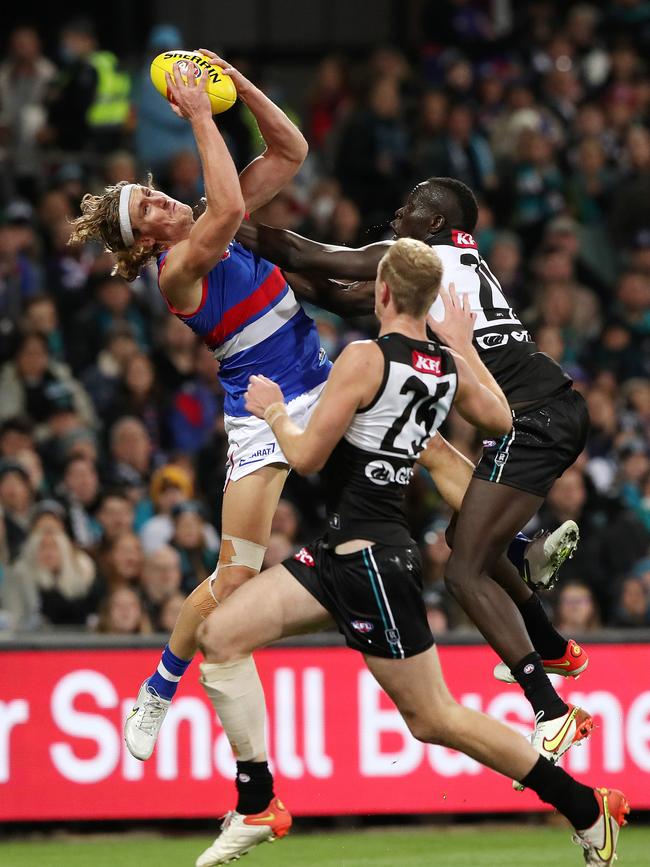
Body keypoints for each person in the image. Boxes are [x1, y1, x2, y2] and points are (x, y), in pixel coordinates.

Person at [195, 239, 628, 867]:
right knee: (222, 636)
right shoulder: (442, 366)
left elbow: (308, 457)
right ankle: (257, 801)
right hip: (340, 554)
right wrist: (456, 339)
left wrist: (274, 413)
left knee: (435, 719)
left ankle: (586, 807)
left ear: (383, 292)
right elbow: (502, 420)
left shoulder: (364, 358)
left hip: (371, 558)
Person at [236, 176, 592, 772]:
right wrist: (263, 272)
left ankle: (550, 710)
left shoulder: (420, 260)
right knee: (464, 532)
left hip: (530, 420)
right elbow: (347, 297)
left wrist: (221, 227)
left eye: (411, 207)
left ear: (432, 225)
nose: (399, 211)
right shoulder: (464, 264)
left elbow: (310, 257)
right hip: (548, 409)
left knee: (463, 572)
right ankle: (550, 641)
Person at [68, 52, 329, 769]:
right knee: (233, 575)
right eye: (148, 207)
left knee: (420, 438)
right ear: (146, 241)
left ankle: (518, 556)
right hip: (259, 412)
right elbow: (233, 208)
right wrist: (200, 117)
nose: (161, 200)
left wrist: (239, 84)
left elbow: (291, 149)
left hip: (319, 382)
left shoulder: (219, 212)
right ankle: (158, 687)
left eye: (150, 192)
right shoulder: (179, 269)